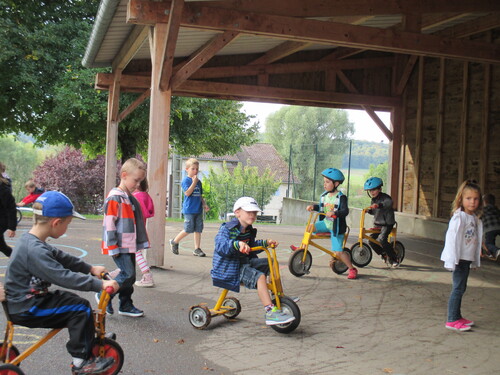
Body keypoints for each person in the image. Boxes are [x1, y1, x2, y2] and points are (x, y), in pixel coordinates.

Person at [4, 191, 119, 374]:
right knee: (80, 309)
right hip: (28, 307)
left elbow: (62, 258)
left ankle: (88, 339)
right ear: (56, 223)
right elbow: (62, 276)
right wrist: (99, 285)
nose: (67, 227)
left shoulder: (31, 240)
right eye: (68, 224)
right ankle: (81, 361)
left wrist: (89, 268)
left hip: (26, 301)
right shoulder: (35, 250)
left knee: (72, 302)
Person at [212, 196, 295, 326]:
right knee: (260, 277)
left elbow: (251, 248)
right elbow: (220, 245)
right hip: (229, 269)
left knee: (272, 262)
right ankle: (270, 312)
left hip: (244, 263)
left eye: (254, 212)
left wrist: (265, 243)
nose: (253, 214)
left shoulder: (248, 230)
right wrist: (237, 244)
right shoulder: (227, 229)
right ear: (237, 212)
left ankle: (278, 295)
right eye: (249, 211)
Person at [100, 158, 149, 317]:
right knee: (128, 275)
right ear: (124, 175)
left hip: (129, 244)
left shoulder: (129, 197)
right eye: (136, 180)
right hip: (119, 245)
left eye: (140, 181)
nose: (137, 184)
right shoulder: (115, 197)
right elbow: (109, 223)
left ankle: (126, 305)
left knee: (130, 276)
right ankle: (106, 295)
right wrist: (112, 246)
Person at [294, 168, 357, 279]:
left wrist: (335, 213)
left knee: (338, 253)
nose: (325, 184)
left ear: (336, 183)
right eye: (324, 182)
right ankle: (301, 249)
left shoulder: (341, 197)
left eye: (327, 182)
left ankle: (352, 269)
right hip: (325, 224)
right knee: (309, 227)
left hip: (336, 227)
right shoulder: (324, 196)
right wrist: (313, 207)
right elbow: (321, 208)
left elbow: (345, 211)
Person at [440, 180, 483, 332]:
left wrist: (475, 258)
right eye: (469, 198)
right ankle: (451, 319)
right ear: (461, 199)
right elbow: (452, 239)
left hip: (466, 259)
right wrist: (452, 260)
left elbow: (473, 240)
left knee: (461, 288)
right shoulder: (460, 217)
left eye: (476, 199)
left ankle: (457, 316)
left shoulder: (473, 218)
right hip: (459, 259)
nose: (472, 202)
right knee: (457, 289)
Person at [170, 158, 209, 257]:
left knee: (198, 229)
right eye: (193, 169)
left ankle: (197, 248)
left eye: (197, 169)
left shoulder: (198, 182)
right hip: (189, 209)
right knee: (188, 229)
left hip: (198, 209)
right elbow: (187, 193)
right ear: (187, 169)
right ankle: (175, 241)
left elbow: (199, 195)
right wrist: (194, 182)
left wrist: (204, 204)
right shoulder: (186, 180)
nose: (195, 171)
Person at [364, 177, 400, 267]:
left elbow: (388, 203)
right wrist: (369, 211)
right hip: (378, 224)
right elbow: (375, 211)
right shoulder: (373, 200)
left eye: (374, 190)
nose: (372, 192)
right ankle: (383, 254)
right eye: (370, 191)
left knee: (382, 239)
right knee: (371, 241)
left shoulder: (386, 198)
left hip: (387, 224)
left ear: (380, 189)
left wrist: (379, 205)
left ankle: (394, 258)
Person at [132, 177, 155, 287]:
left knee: (135, 252)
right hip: (141, 228)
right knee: (132, 253)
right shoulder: (146, 196)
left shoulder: (135, 197)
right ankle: (121, 271)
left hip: (133, 228)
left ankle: (147, 275)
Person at [0, 172, 16, 257]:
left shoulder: (2, 189)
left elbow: (11, 208)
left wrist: (12, 227)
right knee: (2, 246)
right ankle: (20, 261)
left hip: (2, 220)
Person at [481, 193, 500, 259]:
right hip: (499, 226)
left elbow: (479, 218)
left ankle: (496, 251)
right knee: (491, 240)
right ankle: (493, 254)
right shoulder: (496, 209)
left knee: (488, 243)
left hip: (489, 228)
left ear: (484, 202)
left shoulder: (483, 210)